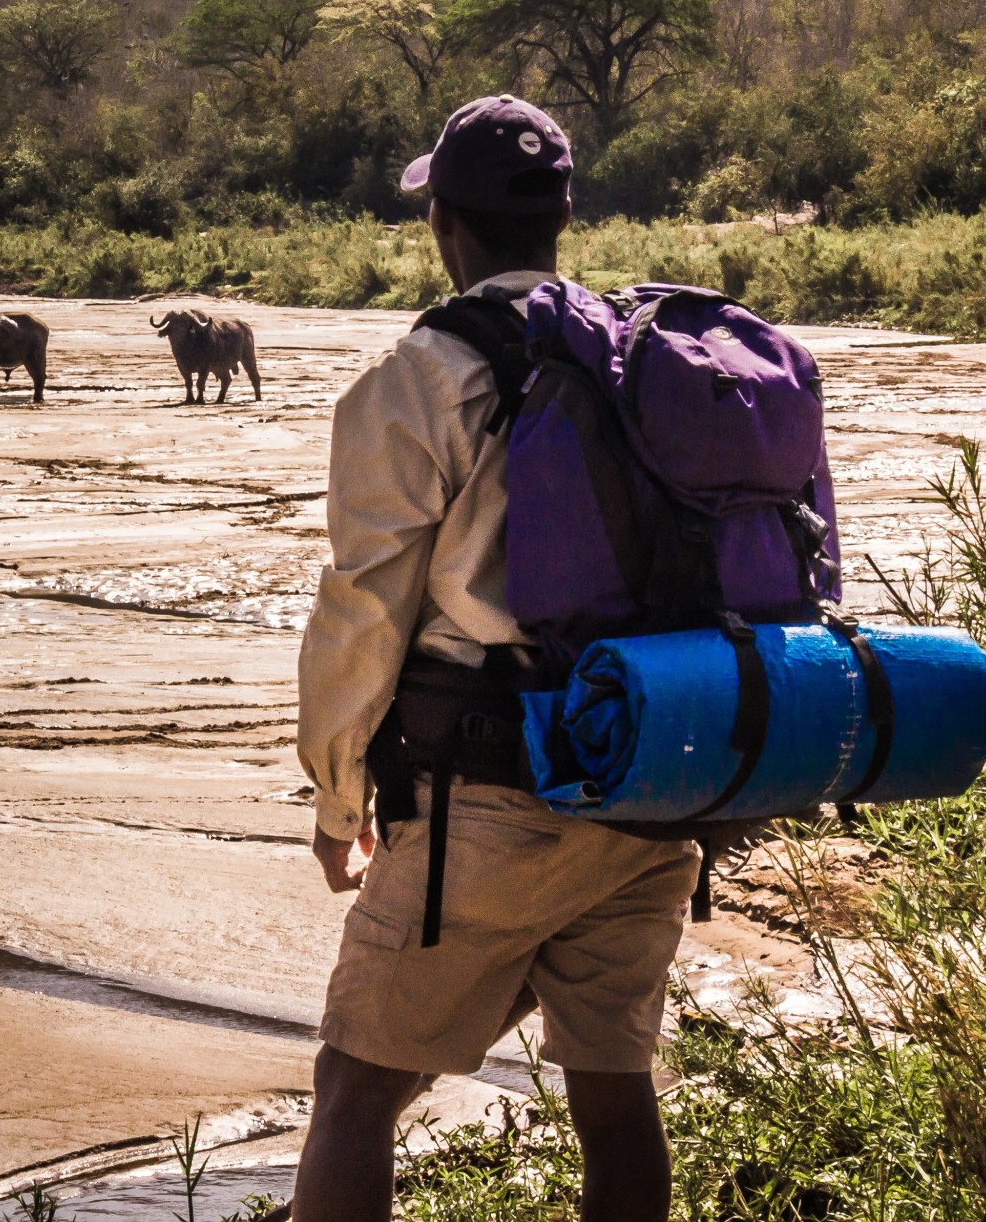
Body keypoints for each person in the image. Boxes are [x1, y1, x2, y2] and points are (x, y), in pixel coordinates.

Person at [288, 96, 699, 1222]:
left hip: (491, 796)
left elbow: (364, 610)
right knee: (612, 1090)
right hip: (653, 778)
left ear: (444, 224)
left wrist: (337, 800)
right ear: (562, 216)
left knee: (355, 1088)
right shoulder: (634, 351)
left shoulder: (420, 377)